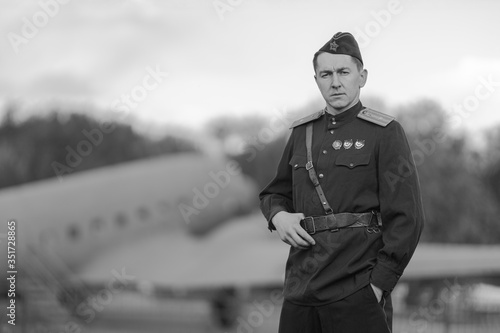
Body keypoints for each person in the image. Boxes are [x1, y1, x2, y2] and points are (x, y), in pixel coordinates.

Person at [259, 32, 424, 333]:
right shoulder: (301, 133)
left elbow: (407, 219)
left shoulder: (385, 132)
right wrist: (278, 216)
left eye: (343, 72)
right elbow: (274, 193)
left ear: (362, 77)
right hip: (300, 291)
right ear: (317, 80)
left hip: (357, 291)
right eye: (326, 74)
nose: (335, 81)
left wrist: (378, 287)